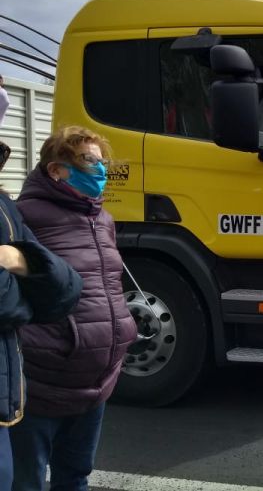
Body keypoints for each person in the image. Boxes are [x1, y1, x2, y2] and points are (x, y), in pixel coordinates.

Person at [10, 126, 138, 491]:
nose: (100, 170)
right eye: (89, 161)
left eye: (103, 162)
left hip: (96, 381)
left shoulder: (102, 219)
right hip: (43, 381)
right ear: (56, 170)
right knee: (27, 481)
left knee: (76, 477)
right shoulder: (24, 216)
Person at [0, 188, 81, 488]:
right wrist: (28, 290)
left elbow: (68, 286)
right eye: (90, 161)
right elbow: (8, 305)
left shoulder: (4, 204)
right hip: (44, 373)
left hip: (9, 395)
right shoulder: (35, 209)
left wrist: (15, 256)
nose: (100, 169)